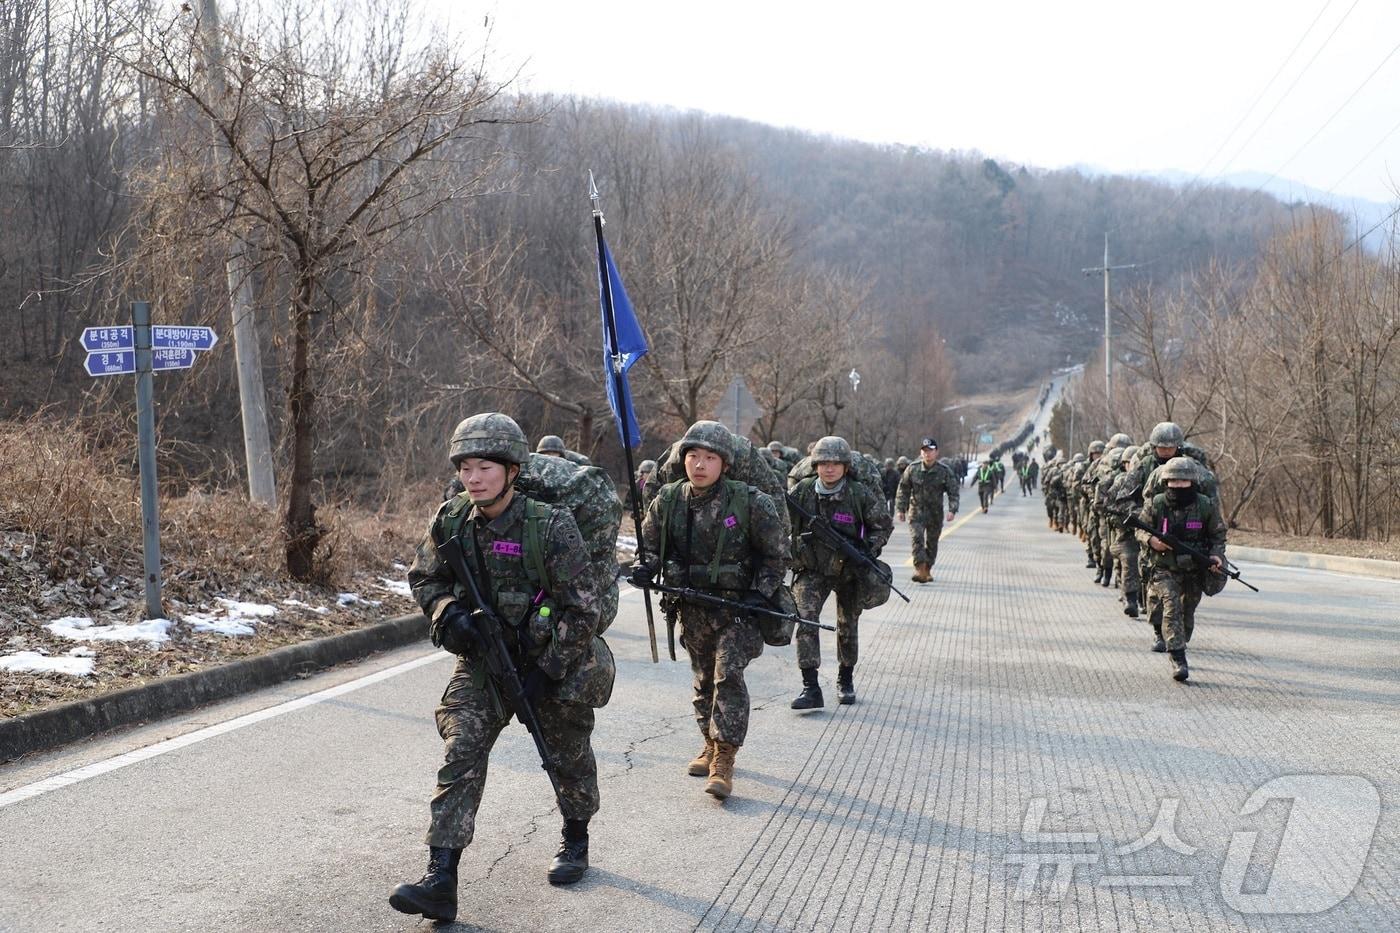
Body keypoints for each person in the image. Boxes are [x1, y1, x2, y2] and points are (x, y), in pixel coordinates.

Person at [393, 413, 613, 922]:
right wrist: (448, 616)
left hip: (552, 660)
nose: (474, 478)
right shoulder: (451, 521)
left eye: (485, 466)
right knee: (461, 750)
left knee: (566, 753)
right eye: (466, 467)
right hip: (487, 663)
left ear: (512, 470)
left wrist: (549, 669)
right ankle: (440, 877)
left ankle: (575, 837)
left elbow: (586, 609)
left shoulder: (551, 526)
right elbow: (425, 577)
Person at [636, 421, 788, 800]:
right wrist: (644, 567)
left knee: (727, 675)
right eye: (692, 456)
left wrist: (761, 592)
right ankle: (708, 742)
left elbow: (776, 554)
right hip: (692, 606)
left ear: (725, 463)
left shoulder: (750, 502)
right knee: (703, 680)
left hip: (738, 609)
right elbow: (651, 548)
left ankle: (724, 759)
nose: (699, 465)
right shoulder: (668, 501)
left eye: (709, 457)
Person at [788, 436, 892, 709]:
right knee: (806, 619)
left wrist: (867, 552)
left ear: (845, 467)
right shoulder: (803, 492)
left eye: (835, 463)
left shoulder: (859, 494)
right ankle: (810, 686)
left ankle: (845, 679)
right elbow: (781, 524)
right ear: (816, 465)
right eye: (823, 463)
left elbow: (882, 525)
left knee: (848, 623)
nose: (829, 468)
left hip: (848, 570)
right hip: (812, 568)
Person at [1134, 457, 1227, 681]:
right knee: (1171, 607)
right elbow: (1139, 529)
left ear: (1192, 482)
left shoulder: (1205, 505)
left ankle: (1180, 642)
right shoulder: (1156, 503)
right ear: (1166, 482)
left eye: (1182, 482)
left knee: (1187, 611)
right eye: (1172, 481)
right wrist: (1151, 541)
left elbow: (1218, 535)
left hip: (1194, 568)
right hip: (1164, 567)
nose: (1177, 486)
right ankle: (1178, 658)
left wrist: (1215, 555)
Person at [895, 438, 960, 583]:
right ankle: (920, 569)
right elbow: (903, 489)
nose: (927, 454)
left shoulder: (944, 471)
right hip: (916, 512)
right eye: (924, 451)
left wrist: (952, 509)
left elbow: (953, 491)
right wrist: (900, 509)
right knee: (917, 539)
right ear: (921, 452)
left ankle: (927, 569)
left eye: (930, 451)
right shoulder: (913, 469)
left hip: (935, 514)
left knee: (932, 543)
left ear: (936, 452)